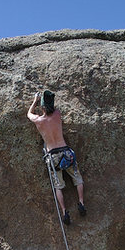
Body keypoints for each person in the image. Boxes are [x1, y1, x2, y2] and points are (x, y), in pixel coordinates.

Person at [27, 90, 86, 225]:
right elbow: (53, 109)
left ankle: (65, 212)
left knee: (58, 186)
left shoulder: (39, 121)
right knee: (77, 178)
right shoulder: (57, 114)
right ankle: (81, 202)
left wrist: (35, 101)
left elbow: (29, 114)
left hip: (53, 157)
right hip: (66, 152)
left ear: (42, 107)